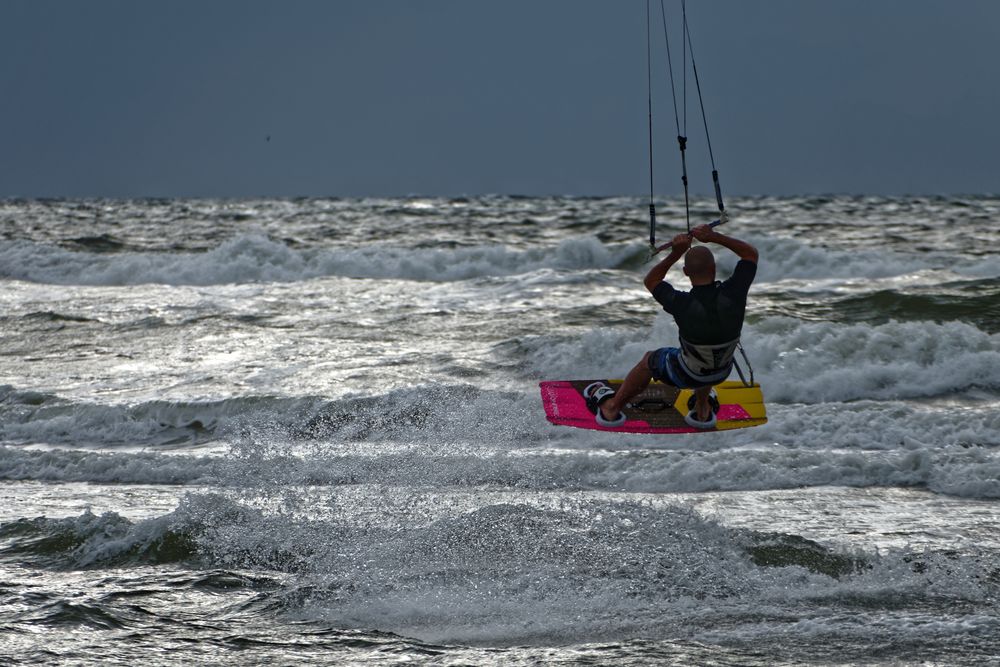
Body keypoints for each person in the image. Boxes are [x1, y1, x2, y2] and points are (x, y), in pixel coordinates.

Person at [586, 223, 758, 429]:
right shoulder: (735, 292)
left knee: (650, 359)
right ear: (714, 268)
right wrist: (714, 237)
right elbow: (750, 254)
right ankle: (702, 409)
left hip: (688, 374)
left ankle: (612, 408)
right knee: (706, 353)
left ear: (685, 272)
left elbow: (651, 280)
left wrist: (676, 253)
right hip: (723, 371)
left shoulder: (680, 303)